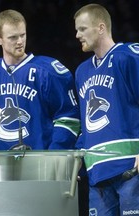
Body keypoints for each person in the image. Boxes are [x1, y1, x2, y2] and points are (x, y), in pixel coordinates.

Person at [0, 9, 80, 152]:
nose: (20, 42)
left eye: (22, 35)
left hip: (39, 166)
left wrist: (54, 156)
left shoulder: (49, 71)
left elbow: (68, 118)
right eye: (13, 37)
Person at [74, 3, 139, 215]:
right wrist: (76, 161)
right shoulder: (81, 71)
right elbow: (86, 125)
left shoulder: (128, 56)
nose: (77, 35)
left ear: (100, 28)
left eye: (82, 29)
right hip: (97, 173)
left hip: (131, 169)